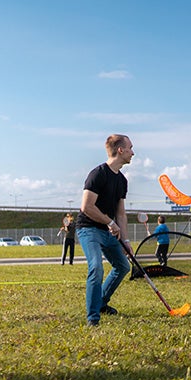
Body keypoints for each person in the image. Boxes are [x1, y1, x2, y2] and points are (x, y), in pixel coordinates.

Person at [76, 134, 134, 327]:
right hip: (89, 228)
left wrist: (125, 241)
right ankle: (93, 318)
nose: (133, 152)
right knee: (96, 267)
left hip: (109, 230)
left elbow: (121, 214)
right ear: (120, 150)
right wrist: (110, 222)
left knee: (123, 266)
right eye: (130, 148)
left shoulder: (122, 181)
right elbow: (87, 207)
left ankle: (101, 303)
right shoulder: (98, 174)